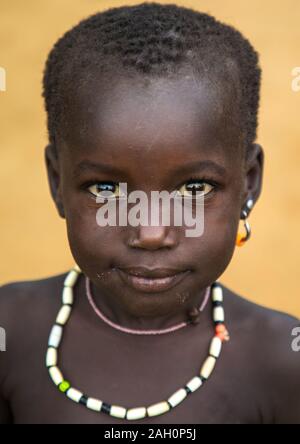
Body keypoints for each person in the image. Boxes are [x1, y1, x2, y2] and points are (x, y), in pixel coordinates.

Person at [0, 2, 299, 424]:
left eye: (195, 188)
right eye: (106, 189)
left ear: (248, 182)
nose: (152, 232)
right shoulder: (11, 333)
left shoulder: (283, 359)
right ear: (57, 183)